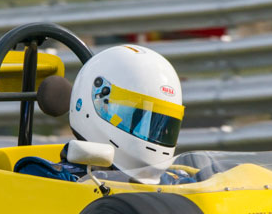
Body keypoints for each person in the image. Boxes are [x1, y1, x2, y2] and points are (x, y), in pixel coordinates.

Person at [16, 44, 189, 184]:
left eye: (163, 122)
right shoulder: (48, 178)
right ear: (98, 100)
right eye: (135, 117)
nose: (154, 133)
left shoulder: (179, 182)